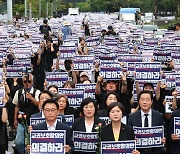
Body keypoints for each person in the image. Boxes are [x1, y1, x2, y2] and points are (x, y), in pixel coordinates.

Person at [13, 73, 40, 154]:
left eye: (29, 81)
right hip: (22, 119)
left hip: (34, 120)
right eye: (25, 82)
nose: (27, 84)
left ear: (32, 82)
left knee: (32, 141)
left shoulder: (37, 92)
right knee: (18, 142)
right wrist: (15, 119)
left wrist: (31, 98)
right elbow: (16, 106)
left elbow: (40, 105)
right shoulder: (19, 92)